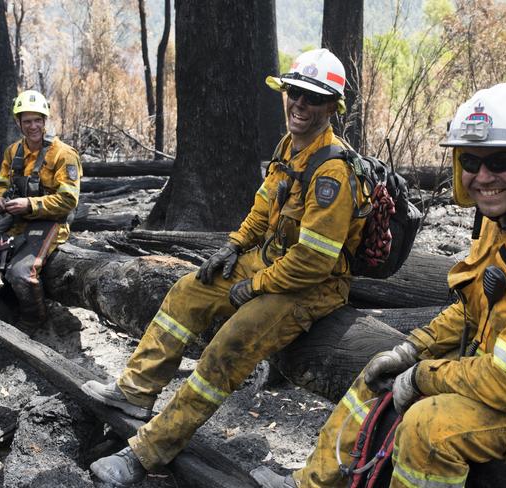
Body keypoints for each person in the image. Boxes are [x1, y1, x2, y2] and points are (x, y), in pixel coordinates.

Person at [251, 83, 506, 488]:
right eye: (471, 161)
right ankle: (310, 483)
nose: (483, 177)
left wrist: (421, 377)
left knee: (429, 426)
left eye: (501, 161)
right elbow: (471, 307)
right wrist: (409, 351)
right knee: (376, 372)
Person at [83, 48, 368, 486]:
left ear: (332, 106)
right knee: (186, 291)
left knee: (226, 348)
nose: (299, 104)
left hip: (311, 287)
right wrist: (233, 246)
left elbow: (313, 262)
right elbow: (262, 209)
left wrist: (255, 286)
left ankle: (147, 452)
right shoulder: (290, 147)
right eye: (294, 93)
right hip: (272, 263)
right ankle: (134, 393)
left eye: (312, 98)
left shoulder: (332, 171)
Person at [0, 89, 81, 330]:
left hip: (50, 221)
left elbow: (68, 200)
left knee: (20, 272)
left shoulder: (63, 154)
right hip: (17, 217)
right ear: (18, 122)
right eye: (27, 121)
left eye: (37, 120)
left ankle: (33, 321)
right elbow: (2, 181)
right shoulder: (13, 151)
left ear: (45, 120)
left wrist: (30, 204)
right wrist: (0, 198)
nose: (33, 126)